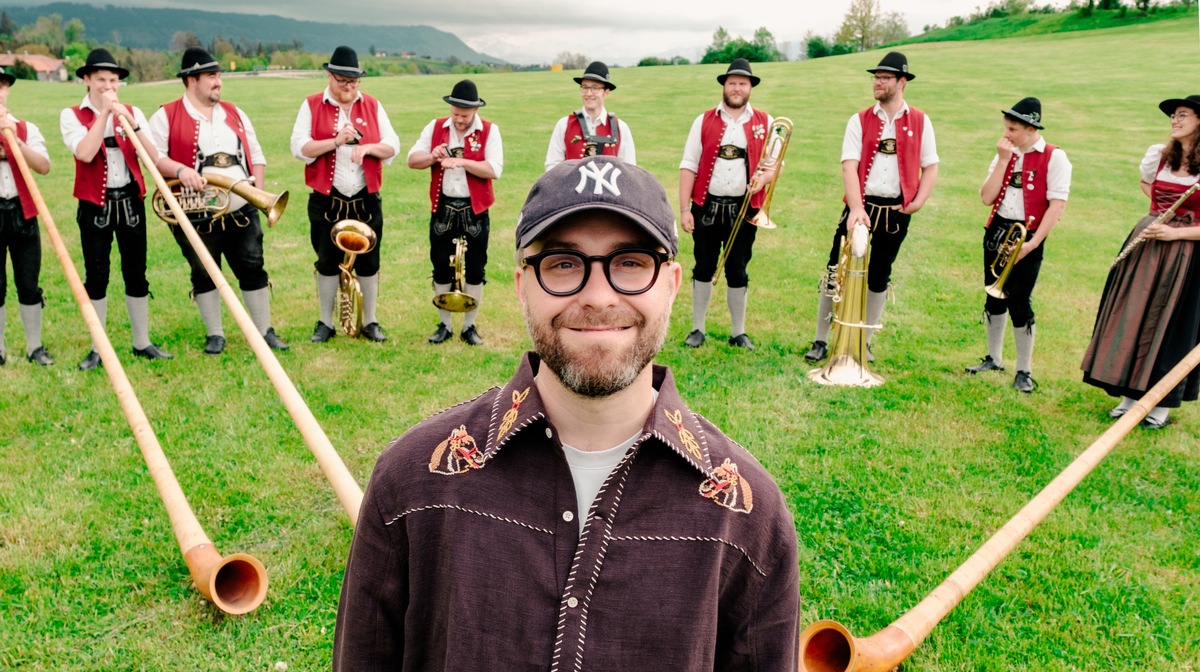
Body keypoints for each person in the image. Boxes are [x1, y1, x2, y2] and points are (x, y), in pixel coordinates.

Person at [333, 156, 799, 670]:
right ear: (520, 286)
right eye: (562, 264)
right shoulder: (412, 482)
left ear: (671, 283)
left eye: (630, 262)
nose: (598, 298)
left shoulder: (748, 518)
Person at [148, 47, 288, 355]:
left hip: (241, 210)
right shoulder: (165, 114)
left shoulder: (234, 112)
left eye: (219, 75)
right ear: (191, 80)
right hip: (196, 212)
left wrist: (259, 197)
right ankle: (215, 334)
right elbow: (153, 156)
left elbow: (257, 156)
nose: (218, 82)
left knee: (253, 267)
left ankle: (264, 330)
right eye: (211, 76)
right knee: (204, 272)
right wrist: (181, 170)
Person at [804, 52, 939, 364]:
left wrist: (919, 201)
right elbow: (849, 166)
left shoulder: (920, 120)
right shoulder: (860, 119)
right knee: (835, 270)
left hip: (895, 213)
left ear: (902, 82)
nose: (878, 82)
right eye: (876, 77)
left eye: (885, 78)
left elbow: (930, 166)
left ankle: (863, 342)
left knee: (879, 275)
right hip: (860, 208)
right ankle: (821, 340)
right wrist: (855, 208)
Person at [1082, 95, 1200, 429]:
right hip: (1149, 248)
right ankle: (1130, 397)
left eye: (1182, 115)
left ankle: (1160, 406)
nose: (1175, 121)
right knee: (1134, 317)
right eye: (1173, 116)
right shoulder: (1160, 156)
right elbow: (1148, 185)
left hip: (1186, 255)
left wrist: (1176, 233)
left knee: (1170, 325)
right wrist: (1155, 220)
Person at [60, 49, 173, 371]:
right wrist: (105, 116)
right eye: (101, 81)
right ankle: (99, 348)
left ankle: (142, 341)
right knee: (96, 276)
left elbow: (152, 157)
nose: (109, 87)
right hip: (94, 204)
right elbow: (84, 152)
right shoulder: (71, 115)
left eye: (113, 81)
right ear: (86, 80)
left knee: (136, 273)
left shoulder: (132, 111)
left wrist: (132, 124)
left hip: (130, 201)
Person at [290, 46, 399, 344]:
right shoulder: (312, 105)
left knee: (369, 261)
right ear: (329, 76)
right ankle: (325, 323)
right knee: (326, 261)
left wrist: (367, 149)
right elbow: (299, 148)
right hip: (327, 200)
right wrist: (335, 141)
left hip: (365, 198)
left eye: (353, 82)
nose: (348, 87)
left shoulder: (373, 105)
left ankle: (370, 321)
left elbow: (393, 146)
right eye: (342, 81)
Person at [964, 97, 1070, 393]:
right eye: (1006, 128)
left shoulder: (1054, 157)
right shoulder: (1004, 153)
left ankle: (1024, 370)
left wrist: (1033, 243)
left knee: (1020, 302)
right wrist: (1001, 160)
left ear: (1030, 128)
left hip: (1028, 236)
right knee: (993, 296)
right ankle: (994, 358)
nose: (1006, 134)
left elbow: (1057, 205)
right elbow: (987, 197)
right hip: (998, 230)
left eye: (1012, 129)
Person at [679, 58, 776, 351]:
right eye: (732, 83)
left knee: (738, 269)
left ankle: (738, 332)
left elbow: (775, 164)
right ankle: (698, 328)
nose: (736, 88)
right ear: (724, 86)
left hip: (744, 210)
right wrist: (685, 209)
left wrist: (764, 179)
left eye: (742, 83)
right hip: (706, 208)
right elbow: (688, 165)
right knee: (703, 266)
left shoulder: (766, 122)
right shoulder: (704, 120)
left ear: (750, 88)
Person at [406, 79, 503, 345]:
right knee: (440, 267)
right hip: (443, 207)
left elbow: (495, 169)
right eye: (455, 114)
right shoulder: (436, 127)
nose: (459, 120)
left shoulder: (489, 131)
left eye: (465, 115)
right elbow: (412, 160)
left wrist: (462, 161)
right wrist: (433, 157)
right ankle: (444, 325)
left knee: (475, 269)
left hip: (475, 209)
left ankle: (469, 326)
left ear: (475, 110)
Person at [0, 66, 53, 366]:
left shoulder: (26, 128)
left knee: (28, 282)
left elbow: (43, 166)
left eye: (2, 86)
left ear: (7, 90)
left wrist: (14, 143)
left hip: (23, 213)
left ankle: (35, 347)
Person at [544, 60, 635, 171]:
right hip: (570, 188)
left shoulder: (621, 128)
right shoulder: (564, 124)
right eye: (585, 87)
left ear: (606, 92)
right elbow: (552, 166)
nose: (588, 93)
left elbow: (630, 171)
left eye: (595, 88)